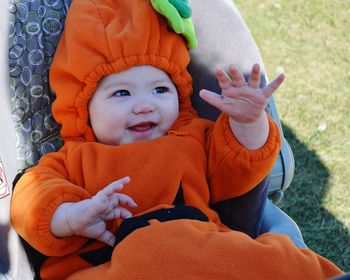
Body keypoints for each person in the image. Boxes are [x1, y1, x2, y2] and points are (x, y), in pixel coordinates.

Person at [10, 0, 343, 279]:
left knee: (280, 260)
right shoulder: (70, 161)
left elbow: (238, 167)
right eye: (121, 93)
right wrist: (71, 216)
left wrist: (248, 123)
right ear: (83, 107)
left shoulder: (192, 137)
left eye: (160, 89)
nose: (144, 105)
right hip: (112, 264)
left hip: (205, 252)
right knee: (153, 249)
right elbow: (30, 201)